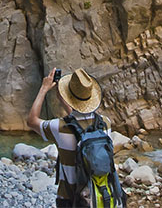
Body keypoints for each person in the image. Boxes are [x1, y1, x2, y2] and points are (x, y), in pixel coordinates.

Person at [26, 67, 113, 208]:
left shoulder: (60, 127)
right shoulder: (105, 123)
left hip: (69, 199)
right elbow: (81, 123)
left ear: (68, 97)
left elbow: (32, 120)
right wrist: (64, 99)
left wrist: (44, 88)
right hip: (98, 196)